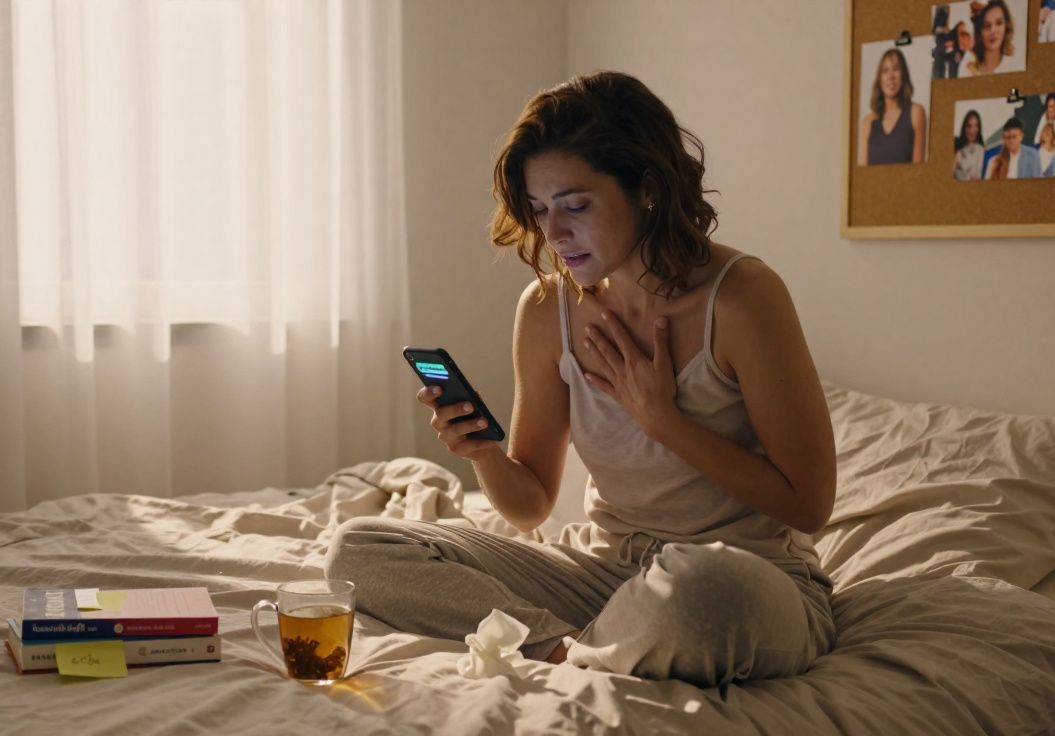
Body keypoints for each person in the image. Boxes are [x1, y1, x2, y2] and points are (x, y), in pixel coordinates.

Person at [324, 71, 837, 688]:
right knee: (359, 549)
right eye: (540, 210)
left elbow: (809, 506)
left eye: (576, 205)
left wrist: (664, 423)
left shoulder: (745, 298)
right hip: (607, 573)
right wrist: (483, 452)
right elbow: (529, 504)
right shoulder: (546, 311)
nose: (555, 234)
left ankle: (611, 644)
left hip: (746, 577)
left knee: (702, 594)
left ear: (646, 187)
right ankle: (563, 652)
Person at [857, 48, 928, 165]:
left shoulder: (916, 113)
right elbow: (862, 175)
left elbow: (918, 172)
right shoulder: (868, 122)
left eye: (895, 69)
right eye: (885, 70)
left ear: (903, 74)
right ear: (879, 79)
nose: (890, 76)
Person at [960, 0, 1017, 76]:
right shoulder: (967, 71)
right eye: (986, 25)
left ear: (1006, 26)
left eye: (999, 23)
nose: (993, 31)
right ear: (979, 31)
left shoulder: (1014, 66)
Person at [954, 110, 987, 180]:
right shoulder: (957, 149)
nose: (973, 130)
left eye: (976, 126)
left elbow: (977, 176)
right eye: (969, 126)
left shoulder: (980, 150)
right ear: (964, 128)